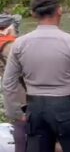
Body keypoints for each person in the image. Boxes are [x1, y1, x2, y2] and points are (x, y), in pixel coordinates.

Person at [2, 0, 70, 152]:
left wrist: (15, 113)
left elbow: (8, 83)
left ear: (33, 14)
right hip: (67, 109)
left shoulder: (19, 44)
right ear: (59, 10)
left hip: (35, 108)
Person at [0, 16, 26, 152]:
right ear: (8, 29)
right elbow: (22, 71)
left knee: (19, 124)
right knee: (22, 125)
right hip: (20, 92)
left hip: (10, 91)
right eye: (15, 27)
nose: (17, 30)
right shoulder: (9, 46)